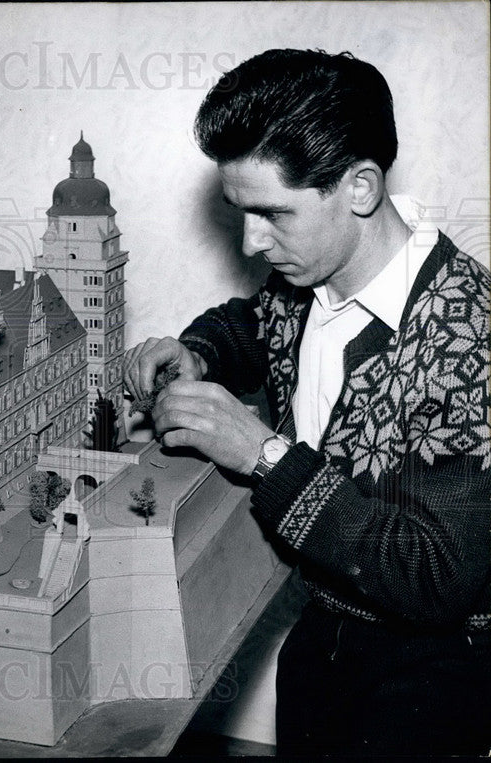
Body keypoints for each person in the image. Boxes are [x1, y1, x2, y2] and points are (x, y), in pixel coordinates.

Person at [124, 49, 490, 756]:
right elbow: (253, 325)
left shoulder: (470, 336)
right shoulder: (310, 275)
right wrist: (198, 352)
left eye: (272, 214)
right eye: (240, 213)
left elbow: (435, 577)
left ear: (360, 188)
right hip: (322, 641)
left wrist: (264, 455)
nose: (251, 242)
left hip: (433, 680)